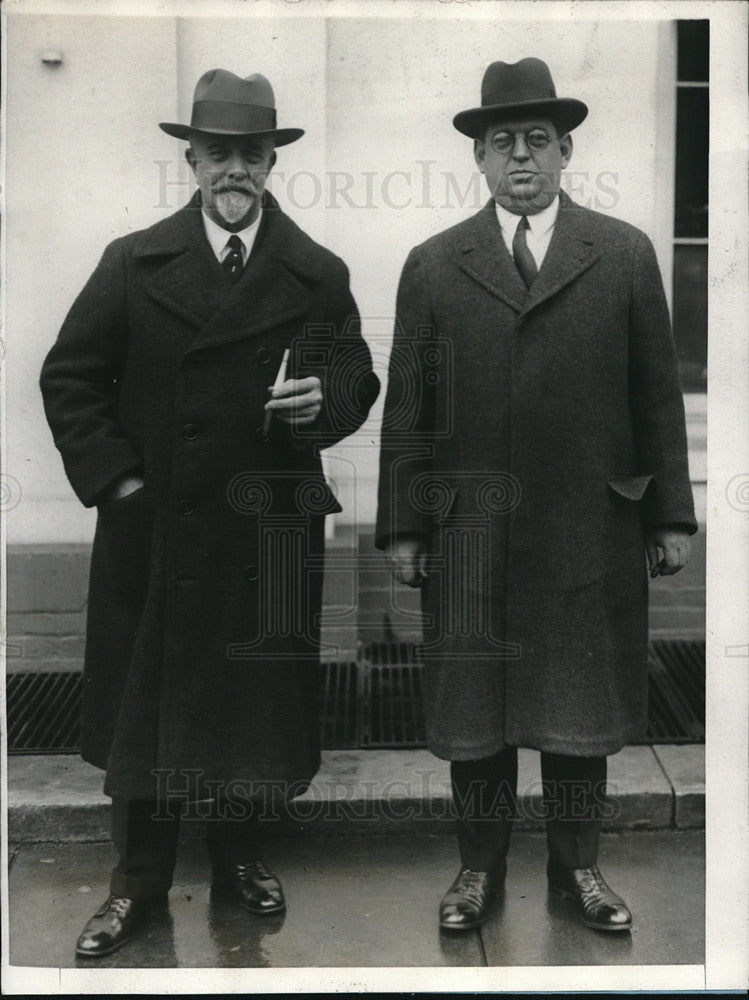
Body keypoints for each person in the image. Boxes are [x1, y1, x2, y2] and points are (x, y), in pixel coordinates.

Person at [40, 68, 379, 957]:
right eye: (219, 153)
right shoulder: (133, 260)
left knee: (251, 709)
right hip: (158, 532)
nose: (236, 169)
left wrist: (326, 404)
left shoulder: (315, 271)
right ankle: (135, 885)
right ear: (191, 159)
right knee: (147, 713)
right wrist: (119, 484)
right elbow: (71, 378)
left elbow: (354, 381)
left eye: (252, 154)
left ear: (273, 162)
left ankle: (239, 859)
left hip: (264, 530)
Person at [375, 57, 695, 933]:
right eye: (502, 142)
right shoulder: (435, 265)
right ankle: (476, 871)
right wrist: (402, 529)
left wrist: (669, 513)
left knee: (576, 706)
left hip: (586, 524)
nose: (521, 157)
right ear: (478, 159)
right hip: (468, 530)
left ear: (565, 152)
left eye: (538, 142)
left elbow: (655, 394)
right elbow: (409, 405)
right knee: (475, 710)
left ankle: (577, 869)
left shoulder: (622, 252)